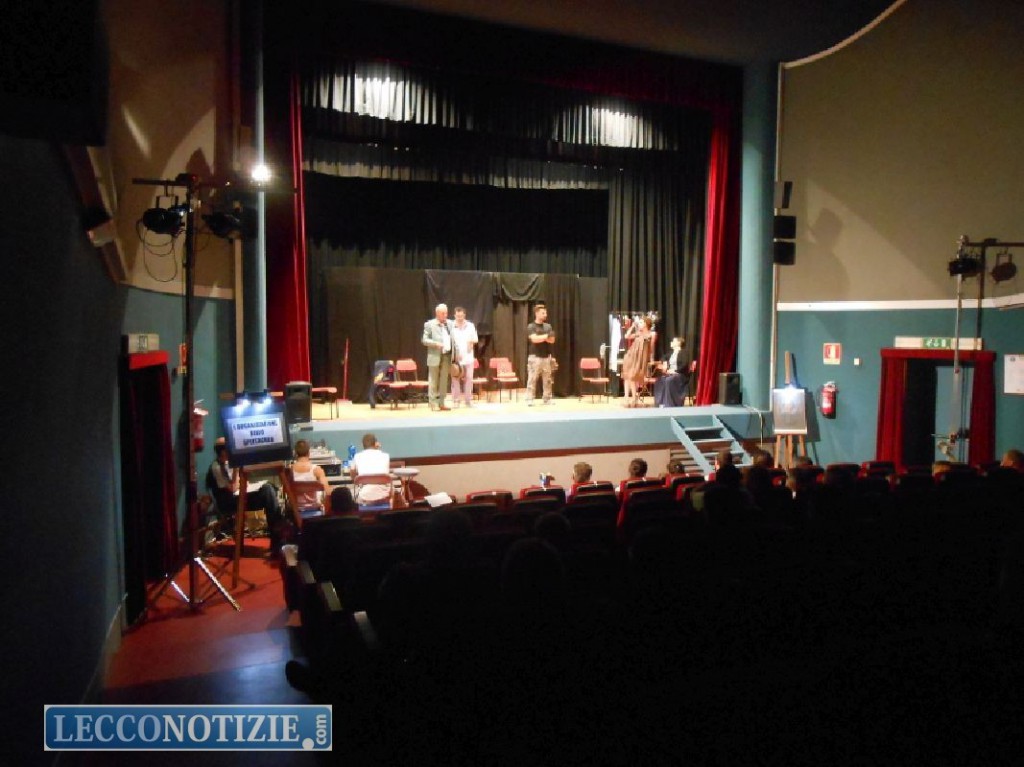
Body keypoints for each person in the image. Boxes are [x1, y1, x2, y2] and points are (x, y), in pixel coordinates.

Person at [205, 437, 286, 553]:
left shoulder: (228, 463)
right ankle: (278, 540)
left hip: (238, 496)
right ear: (223, 451)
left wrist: (246, 483)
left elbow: (241, 483)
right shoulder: (217, 467)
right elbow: (233, 488)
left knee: (269, 488)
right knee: (268, 493)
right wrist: (236, 469)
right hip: (228, 502)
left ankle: (278, 537)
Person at [421, 303, 455, 411]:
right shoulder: (429, 324)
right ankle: (433, 403)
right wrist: (436, 344)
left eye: (446, 313)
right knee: (433, 380)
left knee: (444, 380)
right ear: (437, 313)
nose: (445, 315)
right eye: (443, 313)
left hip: (447, 355)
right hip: (434, 355)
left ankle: (442, 403)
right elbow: (424, 340)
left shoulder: (450, 324)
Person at [620, 315, 655, 407]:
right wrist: (632, 326)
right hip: (630, 356)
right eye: (639, 322)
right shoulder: (639, 333)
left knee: (632, 376)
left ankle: (634, 398)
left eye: (641, 322)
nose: (639, 324)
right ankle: (626, 398)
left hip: (639, 358)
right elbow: (627, 336)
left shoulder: (651, 334)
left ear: (646, 324)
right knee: (627, 376)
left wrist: (651, 359)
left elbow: (651, 348)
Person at [525, 302, 556, 406]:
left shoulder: (548, 326)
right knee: (532, 379)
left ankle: (547, 399)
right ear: (537, 313)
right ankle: (530, 399)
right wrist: (546, 336)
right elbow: (534, 339)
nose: (545, 315)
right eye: (543, 313)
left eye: (545, 313)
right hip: (535, 357)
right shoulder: (531, 326)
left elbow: (552, 340)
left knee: (547, 380)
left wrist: (541, 337)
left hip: (546, 357)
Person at [290, 439, 330, 516]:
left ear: (295, 453)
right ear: (309, 453)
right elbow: (327, 492)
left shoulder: (290, 470)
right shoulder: (317, 470)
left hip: (296, 514)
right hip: (316, 513)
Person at [449, 306, 478, 408]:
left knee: (469, 379)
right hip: (456, 359)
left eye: (461, 316)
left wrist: (471, 342)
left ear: (464, 315)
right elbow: (449, 341)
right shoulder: (451, 326)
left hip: (468, 357)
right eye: (458, 316)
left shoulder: (470, 325)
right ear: (454, 315)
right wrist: (455, 354)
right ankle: (456, 401)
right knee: (455, 380)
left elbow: (475, 339)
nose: (459, 318)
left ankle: (468, 401)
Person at [350, 432, 391, 505]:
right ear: (375, 443)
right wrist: (377, 448)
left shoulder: (357, 456)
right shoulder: (386, 456)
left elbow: (353, 476)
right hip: (384, 496)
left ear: (363, 445)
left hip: (364, 496)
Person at [652, 336, 691, 408]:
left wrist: (675, 371)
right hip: (670, 374)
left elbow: (684, 364)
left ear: (678, 343)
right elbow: (663, 358)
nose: (671, 342)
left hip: (680, 374)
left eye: (673, 341)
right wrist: (665, 363)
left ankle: (669, 404)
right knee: (659, 381)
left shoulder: (684, 353)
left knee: (669, 380)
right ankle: (661, 403)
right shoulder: (671, 353)